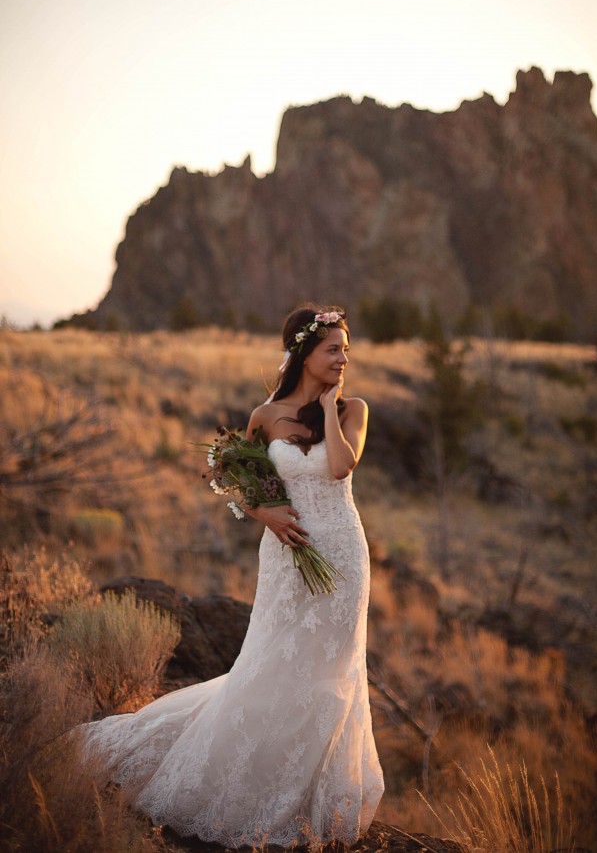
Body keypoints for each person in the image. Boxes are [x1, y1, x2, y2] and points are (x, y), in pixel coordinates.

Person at [78, 303, 384, 848]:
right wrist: (264, 513)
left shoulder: (353, 408)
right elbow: (239, 481)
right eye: (332, 350)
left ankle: (310, 791)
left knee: (330, 677)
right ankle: (249, 786)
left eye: (346, 351)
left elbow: (341, 466)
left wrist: (331, 407)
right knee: (270, 664)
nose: (343, 359)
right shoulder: (265, 416)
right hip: (286, 558)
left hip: (342, 557)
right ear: (303, 353)